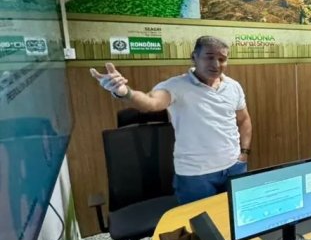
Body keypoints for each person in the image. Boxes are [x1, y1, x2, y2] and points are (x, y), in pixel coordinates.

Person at [90, 36, 252, 204]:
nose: (216, 64)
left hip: (234, 167)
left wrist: (244, 154)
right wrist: (124, 92)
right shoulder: (175, 86)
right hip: (196, 175)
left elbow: (244, 120)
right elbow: (150, 103)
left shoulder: (233, 86)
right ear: (194, 57)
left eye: (222, 59)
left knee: (236, 219)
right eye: (209, 57)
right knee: (199, 225)